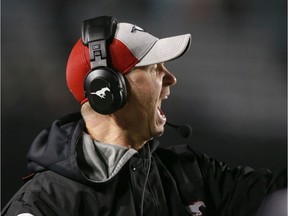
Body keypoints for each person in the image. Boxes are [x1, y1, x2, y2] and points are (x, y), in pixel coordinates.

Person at [1, 16, 286, 216]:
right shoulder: (44, 204)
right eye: (153, 68)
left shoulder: (191, 176)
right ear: (108, 89)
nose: (170, 78)